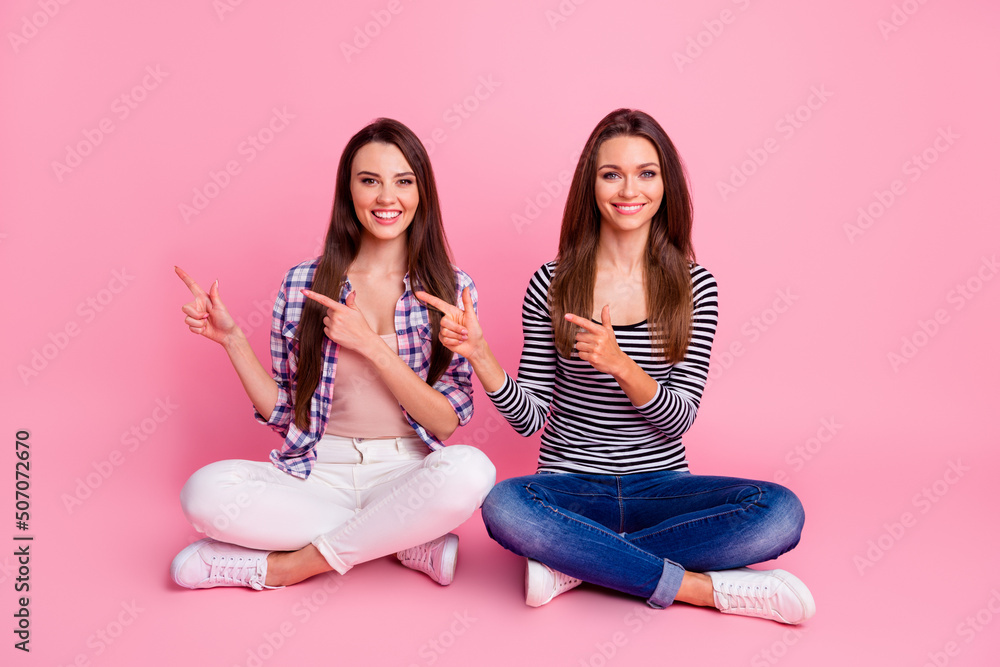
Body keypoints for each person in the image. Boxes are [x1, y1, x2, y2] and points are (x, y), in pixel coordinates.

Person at [417, 109, 815, 624]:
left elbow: (679, 420)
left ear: (666, 185)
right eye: (612, 174)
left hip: (661, 486)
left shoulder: (696, 289)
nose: (630, 189)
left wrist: (622, 365)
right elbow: (532, 419)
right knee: (504, 506)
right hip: (569, 486)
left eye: (646, 173)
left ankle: (579, 563)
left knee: (781, 511)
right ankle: (697, 588)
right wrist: (480, 354)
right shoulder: (552, 283)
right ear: (592, 185)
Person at [170, 118, 495, 592]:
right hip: (319, 471)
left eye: (403, 181)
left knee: (473, 471)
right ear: (349, 192)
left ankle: (284, 568)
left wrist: (368, 344)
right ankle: (401, 538)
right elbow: (285, 411)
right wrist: (233, 340)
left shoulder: (451, 289)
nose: (388, 198)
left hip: (406, 471)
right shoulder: (303, 282)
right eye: (370, 181)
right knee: (202, 492)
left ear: (422, 192)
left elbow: (445, 423)